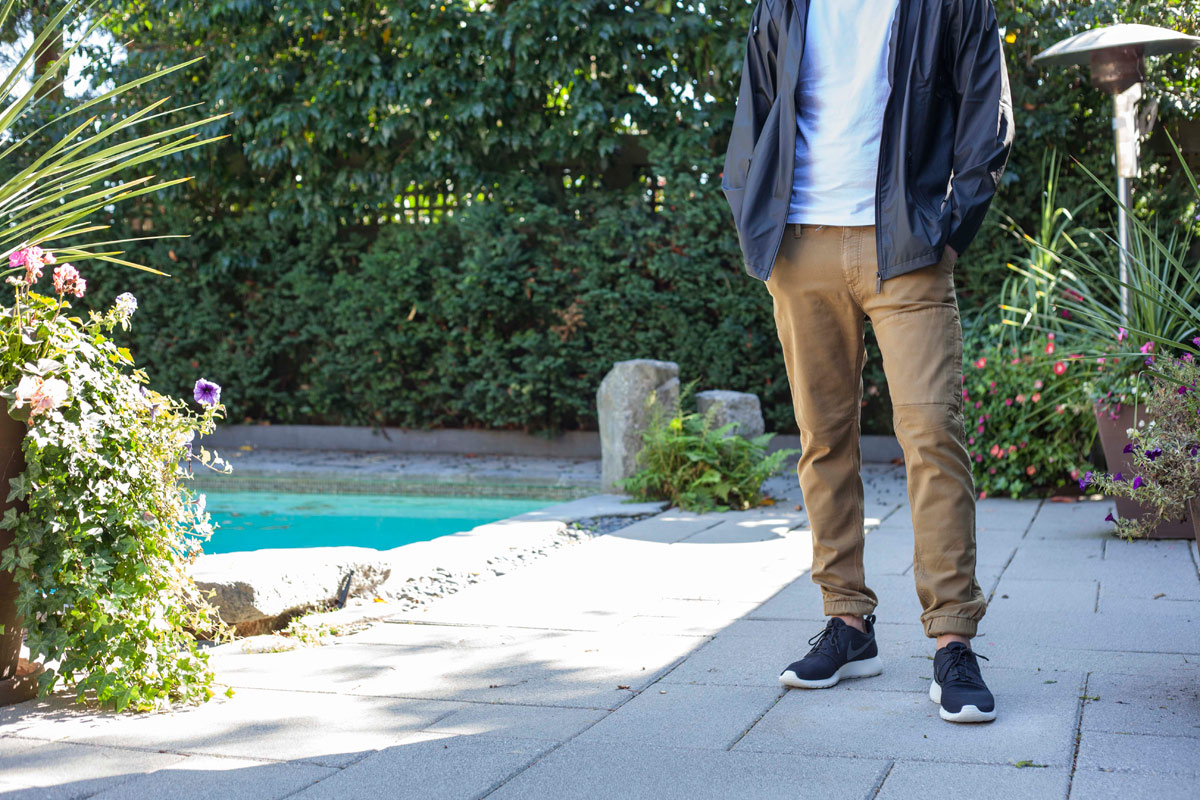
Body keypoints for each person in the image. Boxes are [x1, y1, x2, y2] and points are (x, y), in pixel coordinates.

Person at [721, 0, 1014, 723]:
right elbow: (754, 112)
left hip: (908, 247)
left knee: (932, 434)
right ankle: (847, 622)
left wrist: (950, 230)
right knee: (823, 437)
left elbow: (988, 113)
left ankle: (952, 639)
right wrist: (755, 220)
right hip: (801, 244)